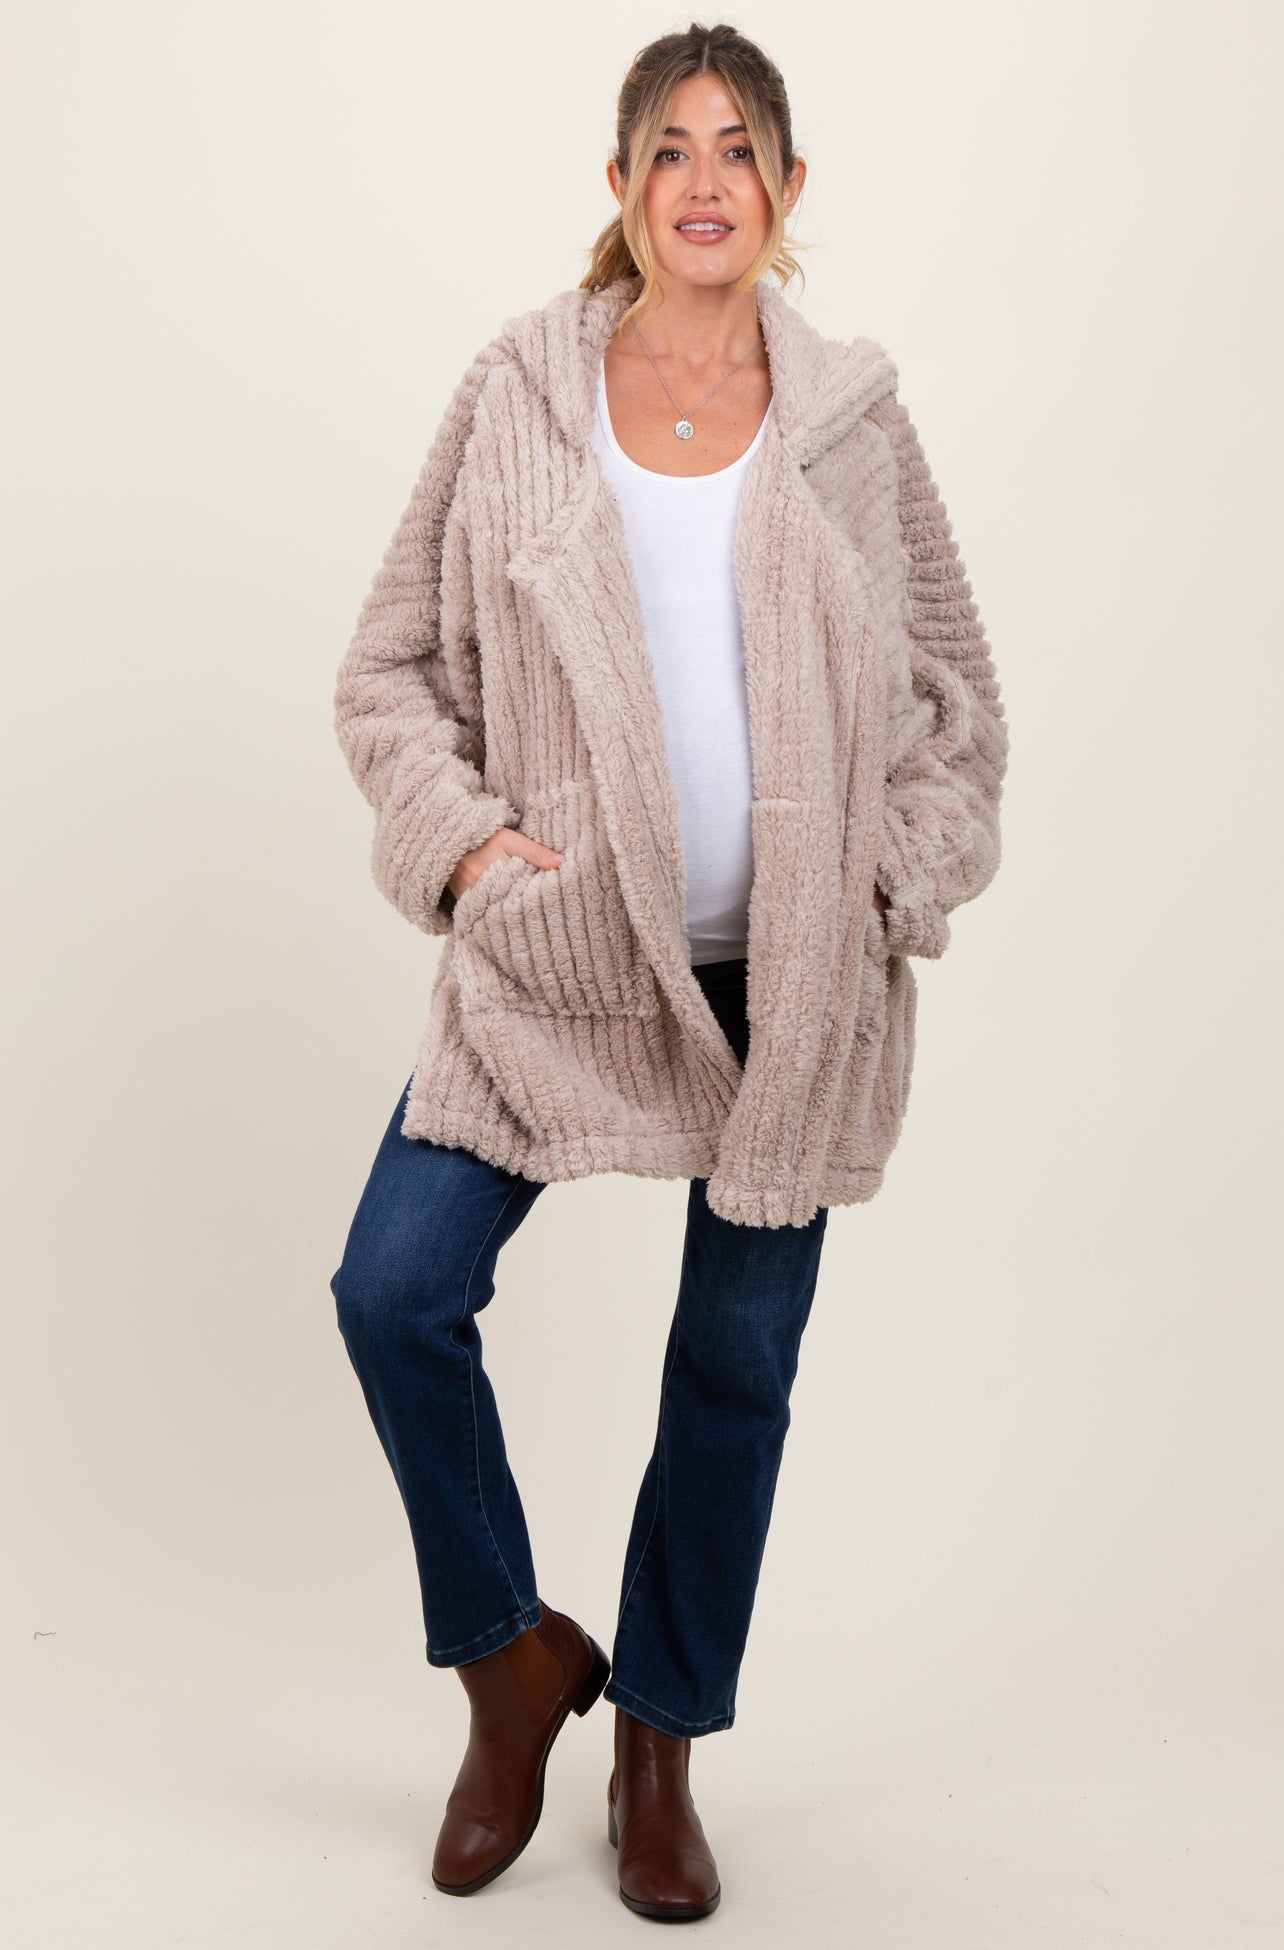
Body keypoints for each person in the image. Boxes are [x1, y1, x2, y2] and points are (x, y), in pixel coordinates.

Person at [329, 20, 1008, 1924]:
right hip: (563, 967)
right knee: (392, 1290)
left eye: (738, 149)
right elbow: (387, 668)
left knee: (734, 1370)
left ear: (787, 189)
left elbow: (959, 707)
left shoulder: (852, 424)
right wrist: (470, 846)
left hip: (786, 995)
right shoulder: (521, 396)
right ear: (622, 186)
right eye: (669, 149)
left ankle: (660, 1746)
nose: (705, 180)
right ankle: (511, 1661)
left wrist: (889, 879)